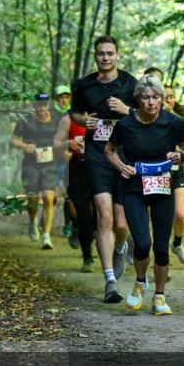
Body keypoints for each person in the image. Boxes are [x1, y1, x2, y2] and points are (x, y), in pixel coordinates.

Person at [106, 74, 184, 315]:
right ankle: (139, 283)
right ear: (138, 99)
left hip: (163, 188)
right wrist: (121, 166)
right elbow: (109, 150)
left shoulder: (174, 122)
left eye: (155, 97)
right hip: (134, 188)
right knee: (143, 243)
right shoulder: (126, 125)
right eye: (146, 98)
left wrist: (181, 156)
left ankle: (159, 296)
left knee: (161, 248)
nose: (151, 102)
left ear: (161, 98)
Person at [71, 36, 137, 303]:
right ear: (95, 56)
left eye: (110, 53)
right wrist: (83, 120)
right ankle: (110, 279)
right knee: (105, 217)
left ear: (117, 55)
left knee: (121, 223)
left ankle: (120, 246)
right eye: (101, 54)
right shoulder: (84, 85)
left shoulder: (130, 83)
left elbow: (147, 114)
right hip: (97, 155)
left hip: (124, 155)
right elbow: (74, 113)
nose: (106, 58)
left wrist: (126, 109)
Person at [11, 92, 62, 250]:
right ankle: (33, 222)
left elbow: (62, 138)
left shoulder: (56, 120)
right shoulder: (25, 120)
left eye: (45, 104)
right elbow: (13, 140)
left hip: (49, 164)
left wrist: (63, 150)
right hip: (30, 164)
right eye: (39, 104)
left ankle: (46, 236)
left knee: (49, 198)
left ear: (48, 105)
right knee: (33, 199)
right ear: (35, 105)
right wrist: (24, 146)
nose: (42, 107)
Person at [54, 104, 97, 272]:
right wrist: (67, 144)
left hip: (99, 168)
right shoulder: (68, 119)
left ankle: (88, 234)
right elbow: (56, 144)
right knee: (83, 213)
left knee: (99, 214)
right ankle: (87, 257)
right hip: (77, 168)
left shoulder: (102, 115)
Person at [163, 85, 184, 266]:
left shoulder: (180, 120)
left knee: (180, 215)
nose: (169, 101)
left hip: (177, 171)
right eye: (165, 97)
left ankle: (177, 244)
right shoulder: (149, 120)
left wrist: (181, 154)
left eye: (171, 97)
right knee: (161, 219)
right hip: (156, 173)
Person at [53, 84, 75, 240]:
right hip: (53, 158)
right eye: (61, 97)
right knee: (51, 193)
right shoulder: (50, 112)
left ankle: (68, 224)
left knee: (69, 193)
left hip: (70, 158)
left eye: (67, 97)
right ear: (56, 98)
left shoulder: (74, 113)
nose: (64, 99)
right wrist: (61, 151)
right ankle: (44, 219)